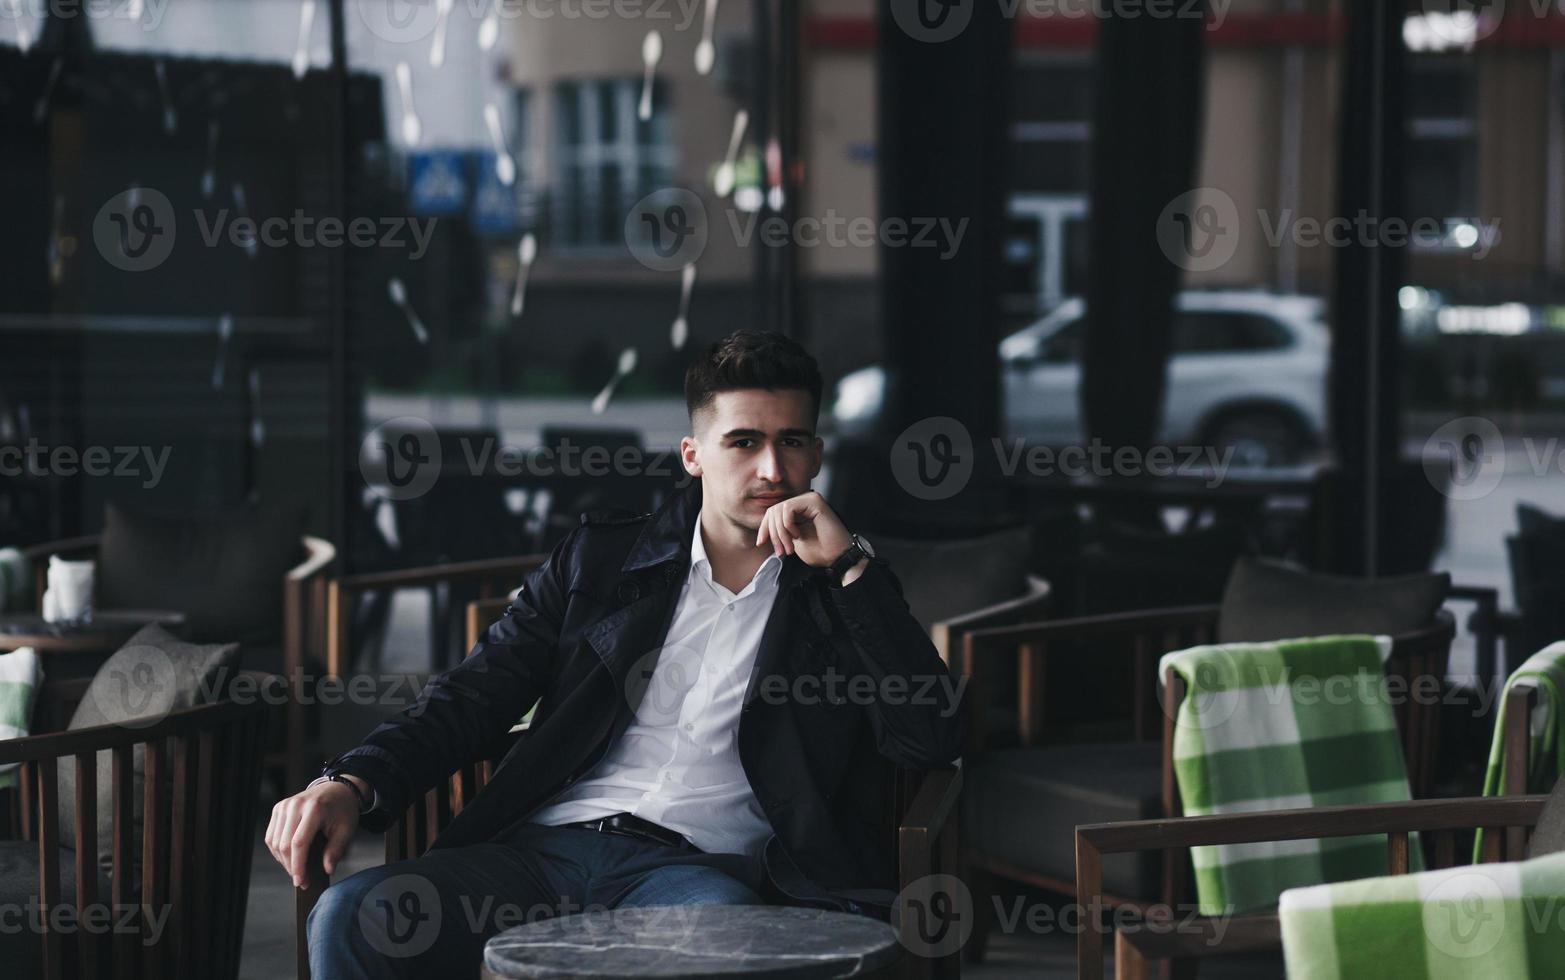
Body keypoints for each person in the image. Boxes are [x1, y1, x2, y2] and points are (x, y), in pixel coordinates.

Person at [267, 330, 964, 978]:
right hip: (540, 855)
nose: (771, 468)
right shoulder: (601, 561)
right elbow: (473, 694)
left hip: (694, 876)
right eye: (743, 441)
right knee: (354, 914)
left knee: (725, 950)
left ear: (816, 455)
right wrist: (352, 782)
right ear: (693, 455)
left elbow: (930, 735)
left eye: (792, 442)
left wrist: (847, 569)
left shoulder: (838, 591)